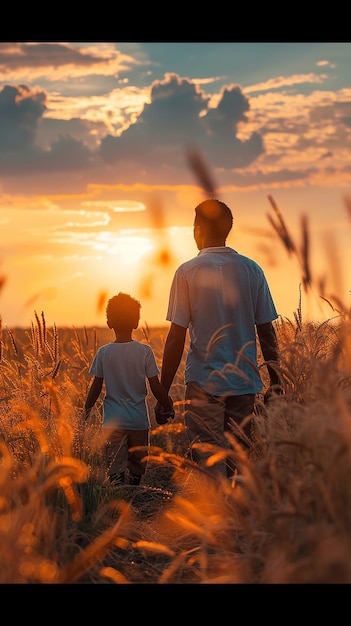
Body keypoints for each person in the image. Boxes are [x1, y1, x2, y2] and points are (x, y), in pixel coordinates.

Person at [155, 198, 281, 479]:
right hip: (244, 383)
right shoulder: (252, 269)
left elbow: (176, 337)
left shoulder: (187, 271)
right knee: (239, 462)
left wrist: (163, 394)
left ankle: (217, 519)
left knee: (210, 464)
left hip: (203, 383)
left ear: (198, 229)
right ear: (228, 229)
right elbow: (267, 331)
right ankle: (239, 519)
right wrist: (277, 381)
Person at [84, 292, 174, 486]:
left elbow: (96, 387)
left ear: (109, 323)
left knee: (113, 466)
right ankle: (133, 492)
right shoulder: (144, 351)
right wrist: (167, 404)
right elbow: (155, 386)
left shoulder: (104, 353)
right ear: (136, 323)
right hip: (139, 421)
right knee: (137, 464)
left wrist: (86, 410)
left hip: (112, 422)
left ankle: (118, 495)